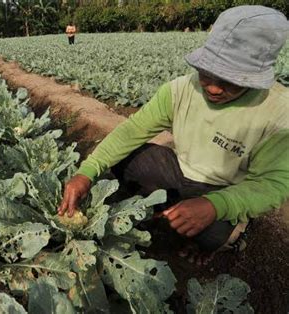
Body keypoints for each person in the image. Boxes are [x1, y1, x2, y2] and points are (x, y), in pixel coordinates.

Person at [58, 5, 289, 265]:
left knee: (212, 235)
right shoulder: (180, 90)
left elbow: (273, 185)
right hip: (180, 170)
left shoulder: (279, 114)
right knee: (126, 160)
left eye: (230, 81)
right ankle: (169, 211)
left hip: (227, 188)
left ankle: (227, 235)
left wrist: (215, 205)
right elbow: (131, 131)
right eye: (207, 73)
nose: (212, 87)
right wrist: (86, 172)